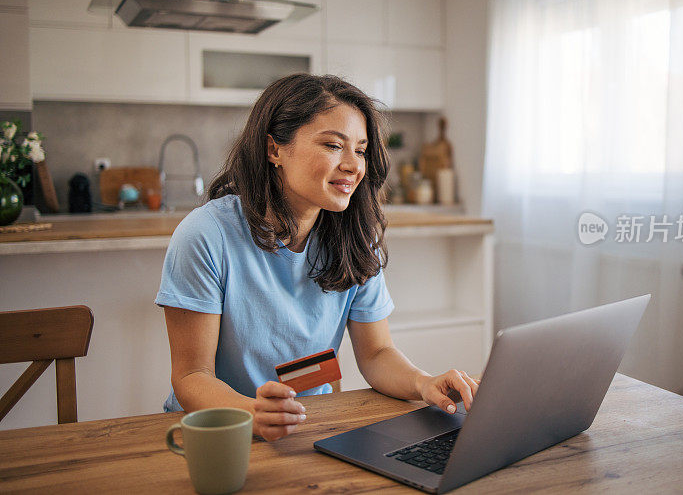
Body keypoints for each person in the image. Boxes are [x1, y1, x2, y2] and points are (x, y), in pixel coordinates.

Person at [156, 73, 480, 441]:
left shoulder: (355, 236)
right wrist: (252, 412)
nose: (353, 165)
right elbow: (191, 377)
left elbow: (376, 354)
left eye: (360, 150)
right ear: (274, 149)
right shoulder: (206, 235)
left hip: (309, 428)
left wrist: (425, 384)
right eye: (332, 145)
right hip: (216, 435)